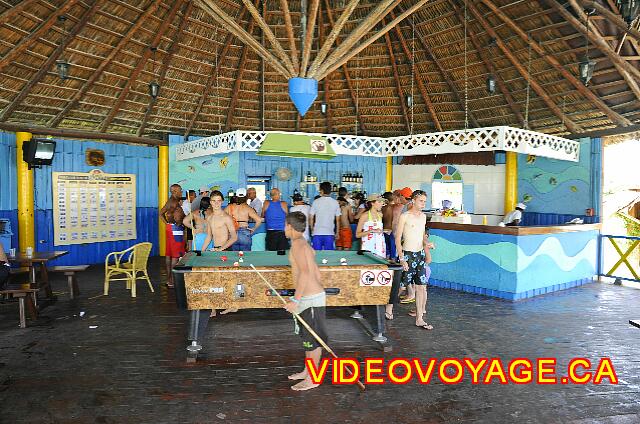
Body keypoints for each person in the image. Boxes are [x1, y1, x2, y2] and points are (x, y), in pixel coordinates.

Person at [283, 211, 328, 391]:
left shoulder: (297, 246)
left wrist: (296, 299)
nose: (284, 228)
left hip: (310, 300)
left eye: (285, 225)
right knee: (308, 339)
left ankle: (313, 379)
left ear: (290, 226)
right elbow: (315, 272)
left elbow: (306, 273)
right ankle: (307, 371)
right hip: (310, 298)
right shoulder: (302, 243)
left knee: (313, 341)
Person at [395, 190, 433, 330]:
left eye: (424, 201)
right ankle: (387, 308)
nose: (423, 204)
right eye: (421, 201)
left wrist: (426, 243)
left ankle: (419, 318)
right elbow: (398, 238)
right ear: (413, 201)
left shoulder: (423, 217)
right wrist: (401, 257)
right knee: (400, 286)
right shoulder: (405, 216)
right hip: (407, 254)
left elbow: (422, 235)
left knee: (421, 287)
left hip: (420, 255)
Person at [159, 183, 185, 288]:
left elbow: (161, 213)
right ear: (174, 191)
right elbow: (180, 217)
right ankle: (173, 281)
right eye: (180, 190)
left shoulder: (171, 201)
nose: (181, 192)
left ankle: (169, 279)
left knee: (169, 254)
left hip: (170, 228)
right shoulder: (174, 203)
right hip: (176, 230)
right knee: (175, 255)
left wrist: (167, 224)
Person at [309, 182, 341, 251]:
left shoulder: (316, 202)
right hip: (329, 233)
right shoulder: (335, 202)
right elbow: (338, 220)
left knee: (316, 255)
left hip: (317, 233)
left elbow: (311, 218)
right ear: (330, 191)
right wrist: (337, 232)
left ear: (322, 190)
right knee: (329, 256)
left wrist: (312, 229)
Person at [356, 194, 386, 258]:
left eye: (382, 202)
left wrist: (384, 231)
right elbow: (357, 234)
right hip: (368, 246)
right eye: (379, 202)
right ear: (372, 203)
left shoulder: (380, 215)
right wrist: (372, 230)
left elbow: (379, 230)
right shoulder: (365, 215)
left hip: (380, 246)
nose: (382, 204)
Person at [381, 192, 397, 260]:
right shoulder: (395, 207)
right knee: (392, 249)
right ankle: (393, 263)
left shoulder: (383, 208)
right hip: (391, 230)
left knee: (386, 248)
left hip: (384, 229)